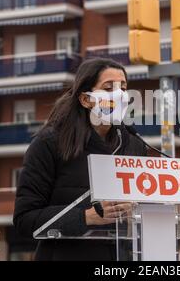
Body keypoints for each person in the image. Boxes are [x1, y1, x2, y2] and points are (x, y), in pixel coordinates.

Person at [13, 58, 147, 261]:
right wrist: (86, 217)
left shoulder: (134, 145)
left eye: (123, 88)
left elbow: (146, 205)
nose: (119, 95)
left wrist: (137, 209)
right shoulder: (49, 144)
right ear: (85, 99)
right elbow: (25, 219)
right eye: (108, 88)